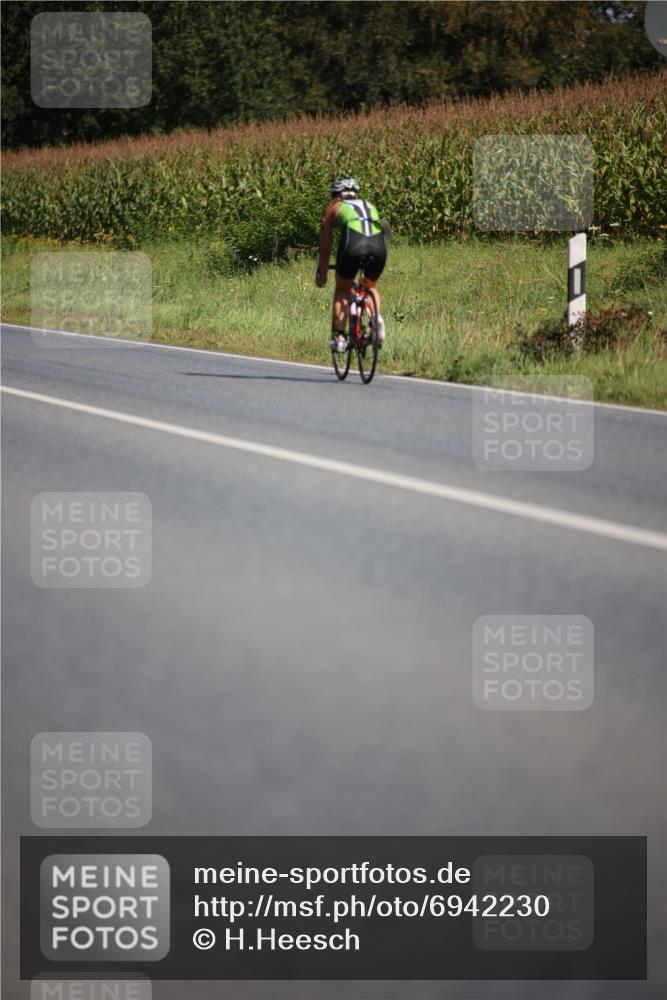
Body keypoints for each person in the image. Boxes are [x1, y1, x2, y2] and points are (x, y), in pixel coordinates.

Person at [315, 177, 387, 353]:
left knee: (343, 289)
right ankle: (376, 319)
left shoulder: (334, 208)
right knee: (370, 285)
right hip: (378, 247)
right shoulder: (370, 206)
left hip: (354, 245)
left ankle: (339, 337)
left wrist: (322, 273)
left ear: (336, 195)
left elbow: (325, 247)